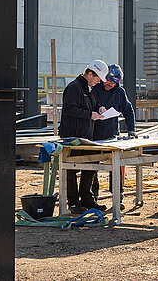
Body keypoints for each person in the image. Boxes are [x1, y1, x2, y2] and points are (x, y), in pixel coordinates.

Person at [60, 59, 109, 214]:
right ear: (89, 74)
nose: (98, 82)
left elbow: (92, 105)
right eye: (97, 79)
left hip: (86, 135)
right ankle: (73, 202)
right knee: (71, 168)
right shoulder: (74, 88)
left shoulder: (88, 89)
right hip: (73, 136)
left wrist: (99, 108)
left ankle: (87, 199)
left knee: (92, 163)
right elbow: (69, 109)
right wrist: (89, 115)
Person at [91, 64, 136, 204]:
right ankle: (93, 198)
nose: (110, 84)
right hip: (93, 135)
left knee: (115, 167)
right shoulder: (95, 89)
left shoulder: (119, 92)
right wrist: (98, 108)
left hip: (111, 134)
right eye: (109, 81)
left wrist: (131, 130)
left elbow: (128, 110)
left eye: (114, 82)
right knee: (92, 167)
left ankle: (118, 197)